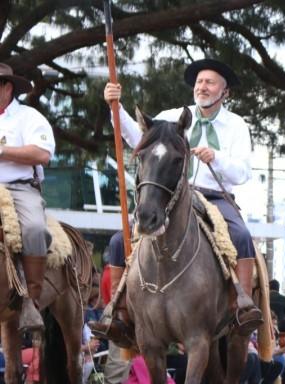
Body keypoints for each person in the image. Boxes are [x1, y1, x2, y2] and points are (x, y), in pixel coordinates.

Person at [90, 58, 263, 347]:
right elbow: (138, 139)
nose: (202, 87)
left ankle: (242, 308)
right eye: (199, 82)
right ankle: (118, 314)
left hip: (215, 196)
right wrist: (115, 108)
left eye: (210, 82)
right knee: (120, 241)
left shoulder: (236, 125)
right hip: (172, 195)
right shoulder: (171, 116)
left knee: (241, 235)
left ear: (225, 92)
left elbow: (243, 172)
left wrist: (216, 158)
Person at [0, 63, 55, 332]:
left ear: (7, 88)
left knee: (34, 228)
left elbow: (42, 154)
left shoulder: (28, 117)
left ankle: (30, 301)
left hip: (19, 188)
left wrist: (2, 151)